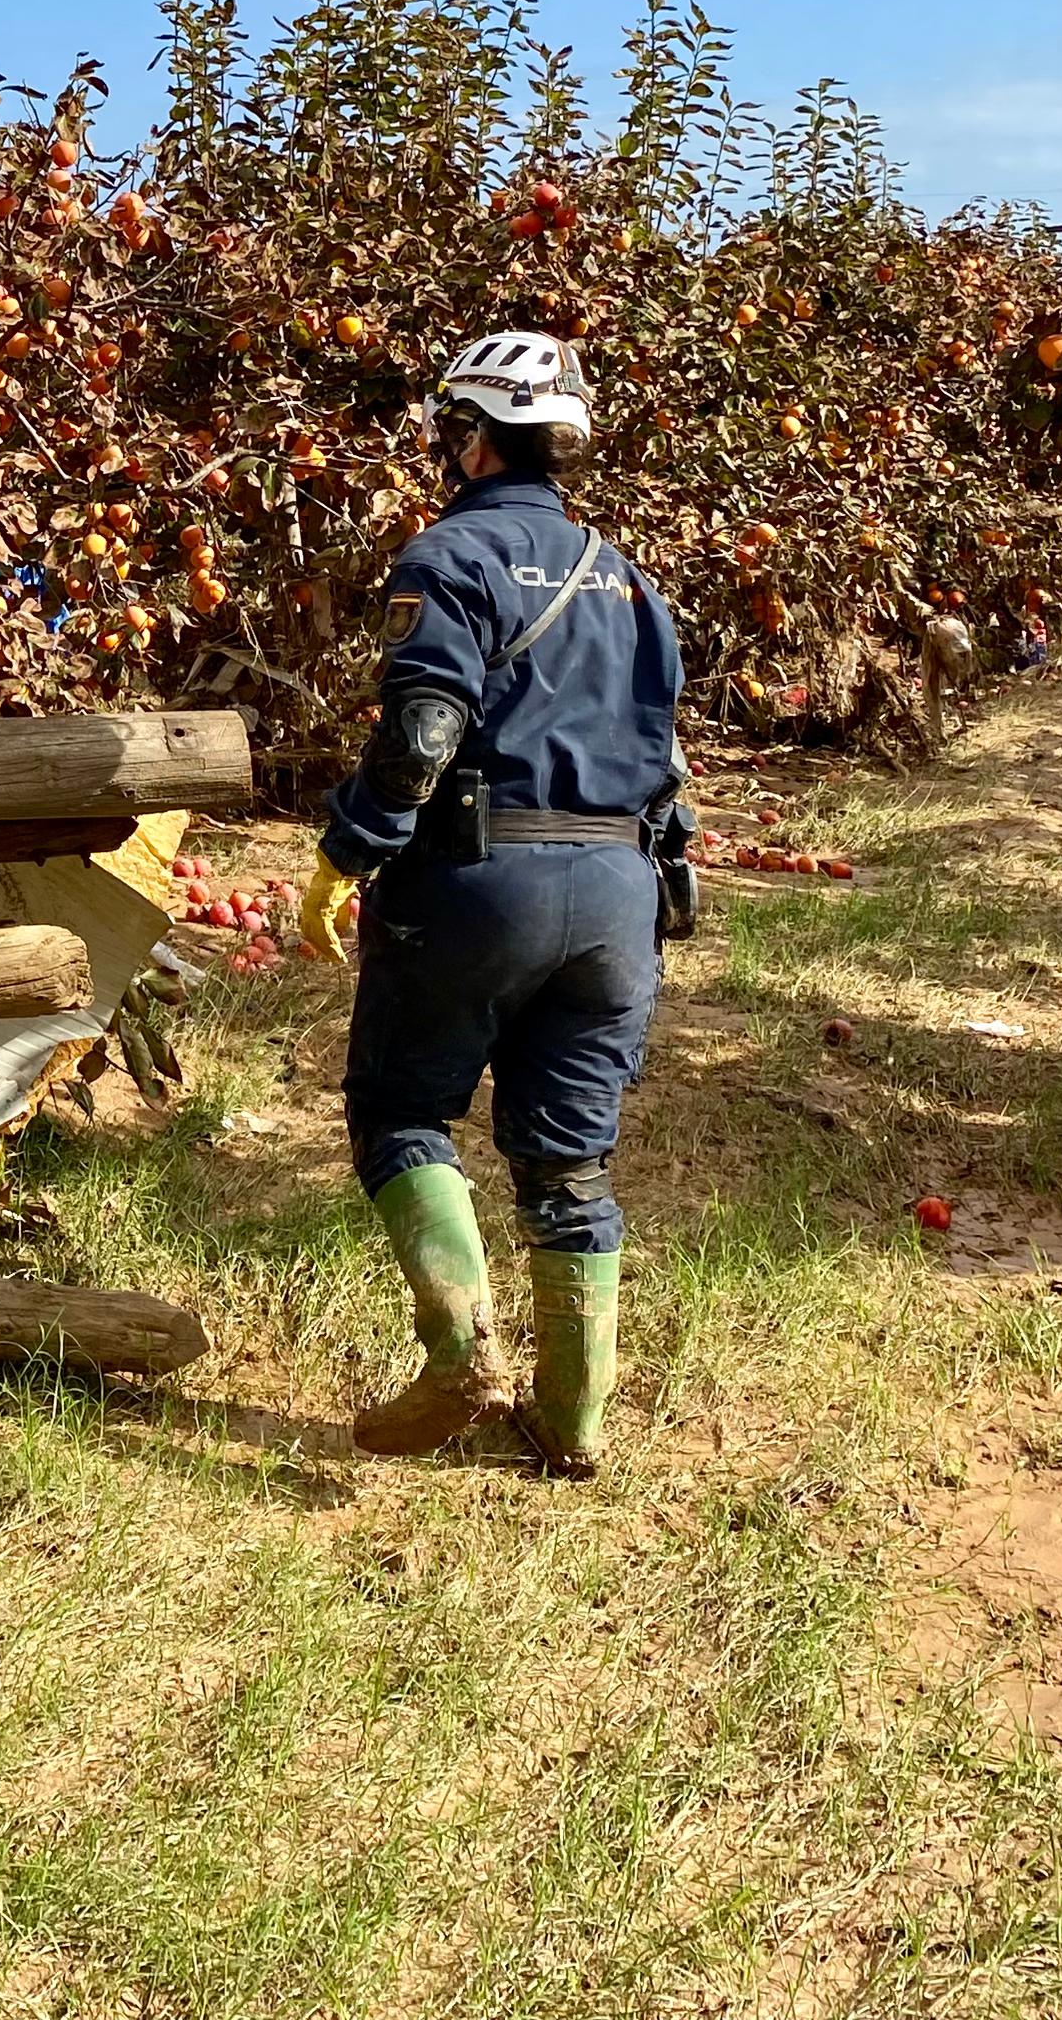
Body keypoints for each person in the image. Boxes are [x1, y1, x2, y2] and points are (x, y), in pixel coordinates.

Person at [293, 328, 686, 1471]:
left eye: (445, 433)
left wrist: (348, 851)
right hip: (618, 893)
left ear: (469, 439)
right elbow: (665, 759)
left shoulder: (448, 556)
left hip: (481, 876)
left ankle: (460, 1348)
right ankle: (570, 1428)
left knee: (402, 1111)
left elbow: (425, 727)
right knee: (570, 1161)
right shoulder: (631, 580)